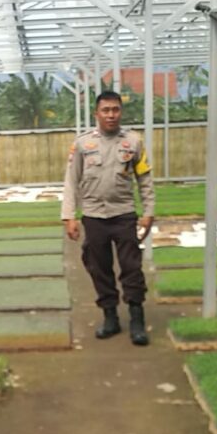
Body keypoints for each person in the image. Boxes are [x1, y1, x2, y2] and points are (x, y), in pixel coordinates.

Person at [61, 90, 154, 346]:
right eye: (106, 110)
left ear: (120, 112)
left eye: (115, 110)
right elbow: (71, 182)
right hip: (94, 216)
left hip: (124, 214)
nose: (111, 115)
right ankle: (110, 316)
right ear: (96, 114)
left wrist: (148, 212)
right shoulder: (82, 144)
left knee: (131, 267)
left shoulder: (133, 142)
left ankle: (137, 318)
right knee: (98, 267)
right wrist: (69, 216)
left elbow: (144, 180)